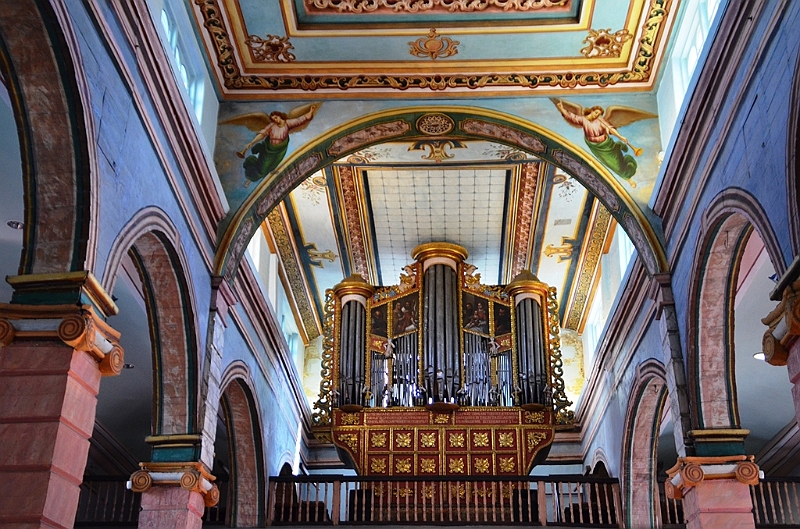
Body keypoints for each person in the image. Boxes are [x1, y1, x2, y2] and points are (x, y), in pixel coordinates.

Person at [551, 98, 656, 187]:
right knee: (611, 165)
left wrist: (620, 136)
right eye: (596, 113)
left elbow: (610, 128)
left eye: (599, 114)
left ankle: (627, 175)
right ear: (592, 111)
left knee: (618, 162)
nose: (597, 115)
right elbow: (571, 117)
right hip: (597, 147)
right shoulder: (583, 120)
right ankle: (628, 178)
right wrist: (561, 109)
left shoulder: (600, 121)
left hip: (607, 145)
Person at [221, 103, 319, 185]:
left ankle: (266, 172)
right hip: (269, 149)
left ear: (280, 116)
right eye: (273, 119)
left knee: (274, 163)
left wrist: (311, 110)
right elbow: (262, 134)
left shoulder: (288, 123)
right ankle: (251, 179)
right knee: (262, 167)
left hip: (280, 149)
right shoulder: (272, 126)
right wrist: (251, 142)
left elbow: (301, 120)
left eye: (276, 117)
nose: (275, 120)